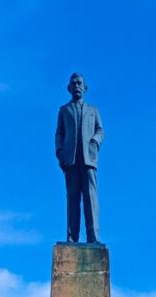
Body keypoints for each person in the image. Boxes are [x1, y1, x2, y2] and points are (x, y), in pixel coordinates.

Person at [56, 72, 104, 243]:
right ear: (69, 88)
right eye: (73, 84)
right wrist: (60, 152)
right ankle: (71, 237)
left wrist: (94, 143)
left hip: (88, 159)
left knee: (91, 198)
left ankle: (93, 237)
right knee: (72, 199)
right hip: (70, 160)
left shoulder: (93, 110)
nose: (76, 86)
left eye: (79, 83)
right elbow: (59, 134)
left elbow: (100, 130)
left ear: (85, 87)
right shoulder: (64, 110)